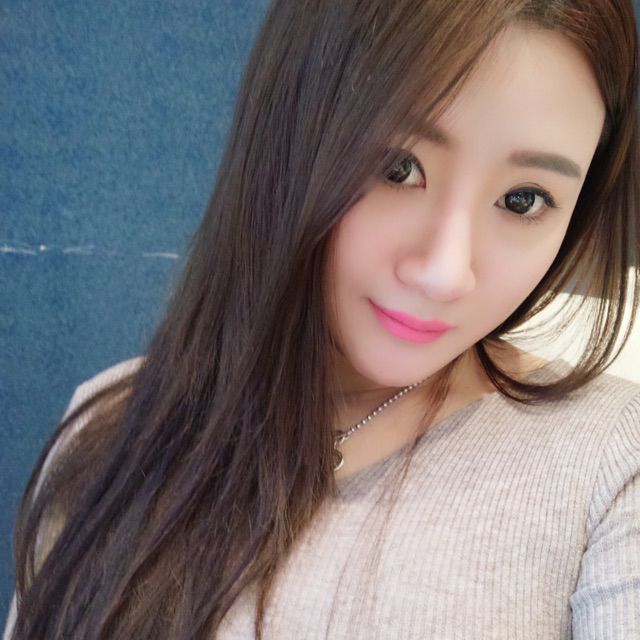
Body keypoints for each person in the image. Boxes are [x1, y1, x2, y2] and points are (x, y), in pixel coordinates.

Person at [4, 0, 640, 638]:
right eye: (398, 167)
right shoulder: (112, 428)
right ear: (285, 139)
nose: (446, 273)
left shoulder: (611, 463)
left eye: (524, 200)